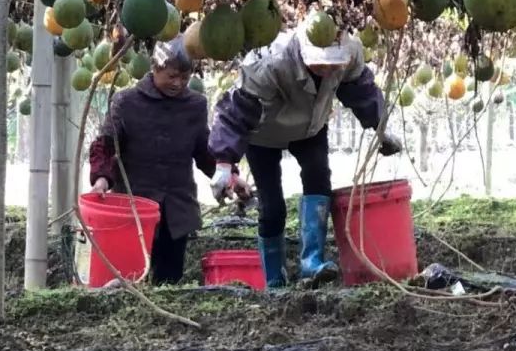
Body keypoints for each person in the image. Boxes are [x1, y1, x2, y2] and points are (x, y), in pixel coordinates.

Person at [209, 20, 401, 287]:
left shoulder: (351, 51)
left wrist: (381, 126)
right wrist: (223, 162)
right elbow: (238, 110)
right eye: (319, 64)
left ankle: (312, 262)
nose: (326, 70)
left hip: (311, 128)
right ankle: (274, 280)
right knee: (272, 204)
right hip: (264, 133)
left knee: (318, 178)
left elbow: (360, 89)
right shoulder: (271, 61)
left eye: (332, 65)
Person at [88, 36, 249, 284]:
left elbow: (204, 151)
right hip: (135, 205)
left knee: (169, 280)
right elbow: (106, 145)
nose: (178, 83)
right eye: (172, 76)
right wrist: (101, 179)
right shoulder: (126, 102)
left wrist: (231, 177)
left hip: (177, 207)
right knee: (130, 278)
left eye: (184, 78)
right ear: (155, 69)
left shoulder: (195, 105)